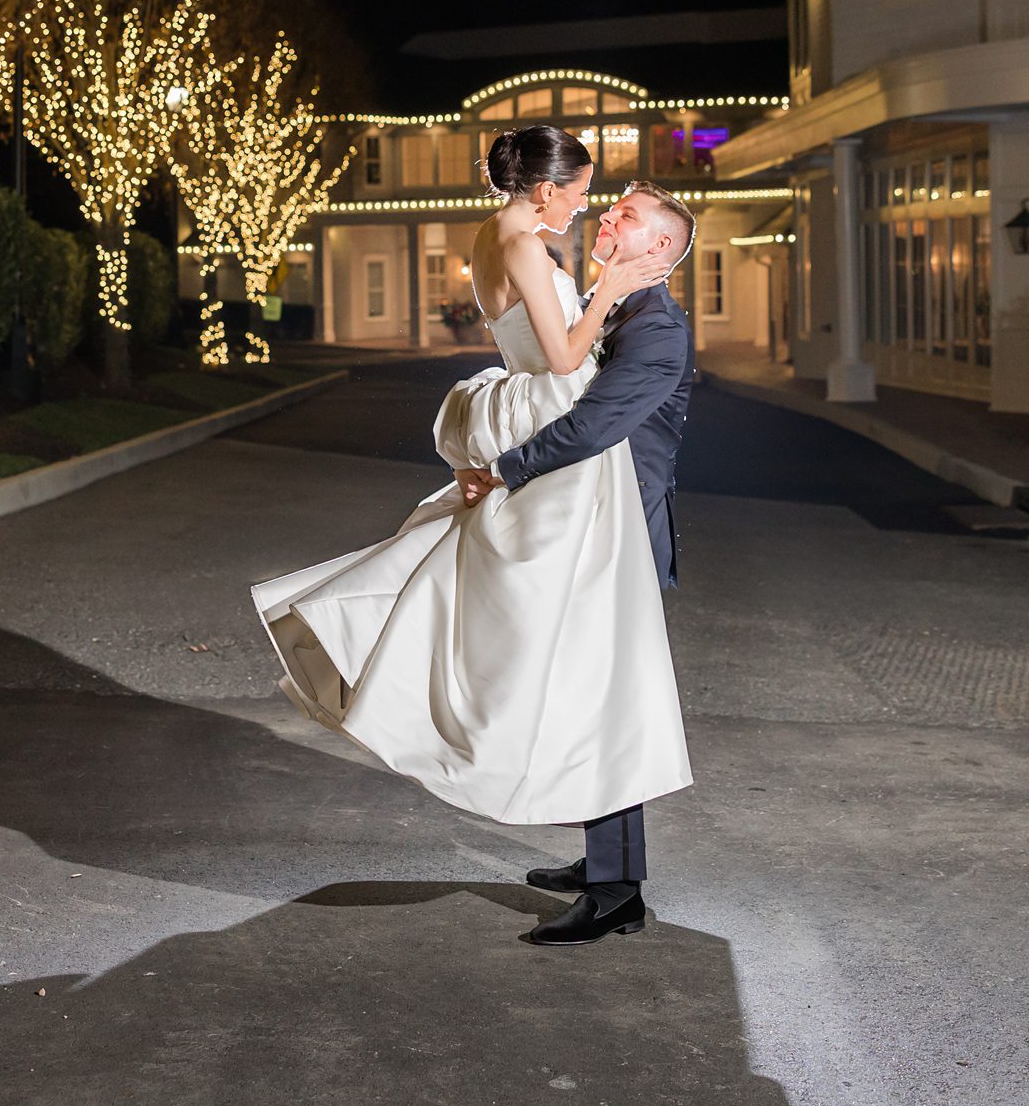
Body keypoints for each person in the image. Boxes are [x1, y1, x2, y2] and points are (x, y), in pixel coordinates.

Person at [251, 124, 697, 947]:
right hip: (565, 498)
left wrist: (502, 465)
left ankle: (616, 888)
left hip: (605, 512)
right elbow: (559, 368)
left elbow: (592, 423)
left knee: (597, 690)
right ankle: (609, 870)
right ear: (546, 189)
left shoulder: (657, 326)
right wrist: (499, 453)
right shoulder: (554, 262)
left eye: (623, 215)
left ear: (661, 249)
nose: (601, 214)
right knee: (568, 677)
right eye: (594, 199)